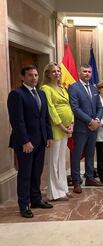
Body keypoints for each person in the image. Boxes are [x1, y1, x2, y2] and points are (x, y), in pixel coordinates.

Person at [7, 65, 53, 218]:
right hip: (25, 143)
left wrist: (48, 136)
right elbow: (17, 121)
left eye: (36, 75)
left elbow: (45, 117)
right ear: (22, 77)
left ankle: (36, 199)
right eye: (30, 75)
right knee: (25, 174)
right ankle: (24, 204)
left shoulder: (41, 93)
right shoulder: (17, 94)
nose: (34, 78)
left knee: (37, 172)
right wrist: (25, 141)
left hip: (40, 140)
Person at [68, 64, 103, 194]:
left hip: (94, 128)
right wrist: (89, 121)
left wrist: (97, 120)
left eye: (89, 71)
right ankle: (76, 181)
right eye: (85, 71)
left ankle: (89, 177)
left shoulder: (94, 88)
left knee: (90, 154)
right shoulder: (73, 88)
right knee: (77, 155)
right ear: (79, 72)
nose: (87, 73)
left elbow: (100, 107)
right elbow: (75, 108)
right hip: (81, 128)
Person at [40, 62, 74, 201]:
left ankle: (63, 189)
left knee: (61, 160)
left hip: (67, 127)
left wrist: (71, 123)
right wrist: (61, 125)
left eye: (58, 71)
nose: (57, 74)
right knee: (54, 160)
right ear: (47, 74)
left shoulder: (62, 87)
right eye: (54, 71)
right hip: (56, 128)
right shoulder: (45, 88)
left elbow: (68, 105)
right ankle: (54, 192)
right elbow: (50, 108)